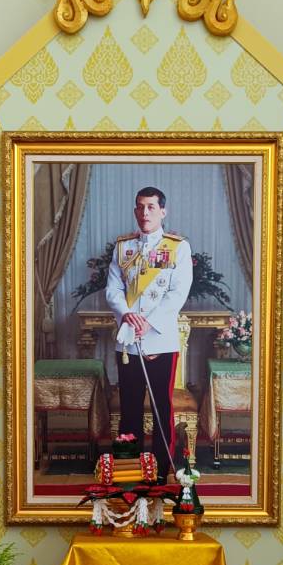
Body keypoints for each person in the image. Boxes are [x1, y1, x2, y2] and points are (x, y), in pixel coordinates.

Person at [104, 185, 193, 480]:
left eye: (151, 207)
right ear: (135, 211)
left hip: (160, 340)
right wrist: (126, 313)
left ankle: (159, 471)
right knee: (129, 408)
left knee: (160, 408)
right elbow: (113, 289)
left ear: (163, 211)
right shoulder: (123, 248)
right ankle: (129, 470)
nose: (145, 213)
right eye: (141, 207)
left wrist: (148, 322)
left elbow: (178, 293)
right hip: (128, 342)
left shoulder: (178, 247)